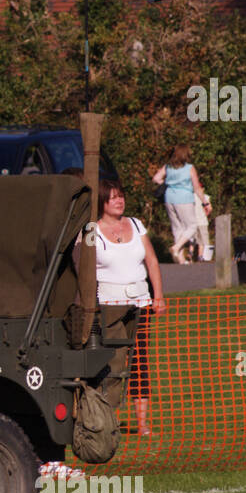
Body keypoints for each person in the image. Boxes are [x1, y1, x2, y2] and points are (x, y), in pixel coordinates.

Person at [83, 179, 166, 436]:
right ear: (102, 203)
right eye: (113, 198)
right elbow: (82, 268)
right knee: (114, 362)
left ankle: (142, 424)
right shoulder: (90, 231)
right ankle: (107, 418)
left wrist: (158, 296)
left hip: (140, 302)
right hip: (108, 305)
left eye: (121, 196)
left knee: (140, 361)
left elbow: (152, 261)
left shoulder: (137, 224)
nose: (119, 201)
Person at [152, 145, 211, 264]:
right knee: (192, 226)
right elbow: (197, 188)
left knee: (177, 228)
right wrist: (205, 203)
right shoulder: (189, 168)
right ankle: (176, 247)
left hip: (169, 198)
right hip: (184, 198)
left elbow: (156, 179)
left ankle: (181, 260)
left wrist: (169, 182)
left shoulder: (167, 167)